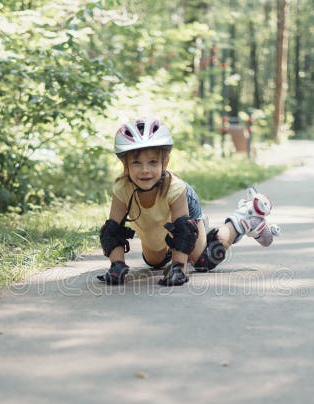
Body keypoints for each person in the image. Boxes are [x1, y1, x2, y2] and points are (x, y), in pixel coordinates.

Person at [97, 117, 279, 287]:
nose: (145, 170)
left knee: (203, 260)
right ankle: (189, 239)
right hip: (156, 220)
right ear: (125, 164)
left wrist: (178, 267)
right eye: (136, 163)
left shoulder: (174, 188)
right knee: (155, 262)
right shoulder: (122, 189)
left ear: (165, 162)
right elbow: (113, 230)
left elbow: (183, 230)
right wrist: (117, 266)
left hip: (183, 213)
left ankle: (242, 220)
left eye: (153, 162)